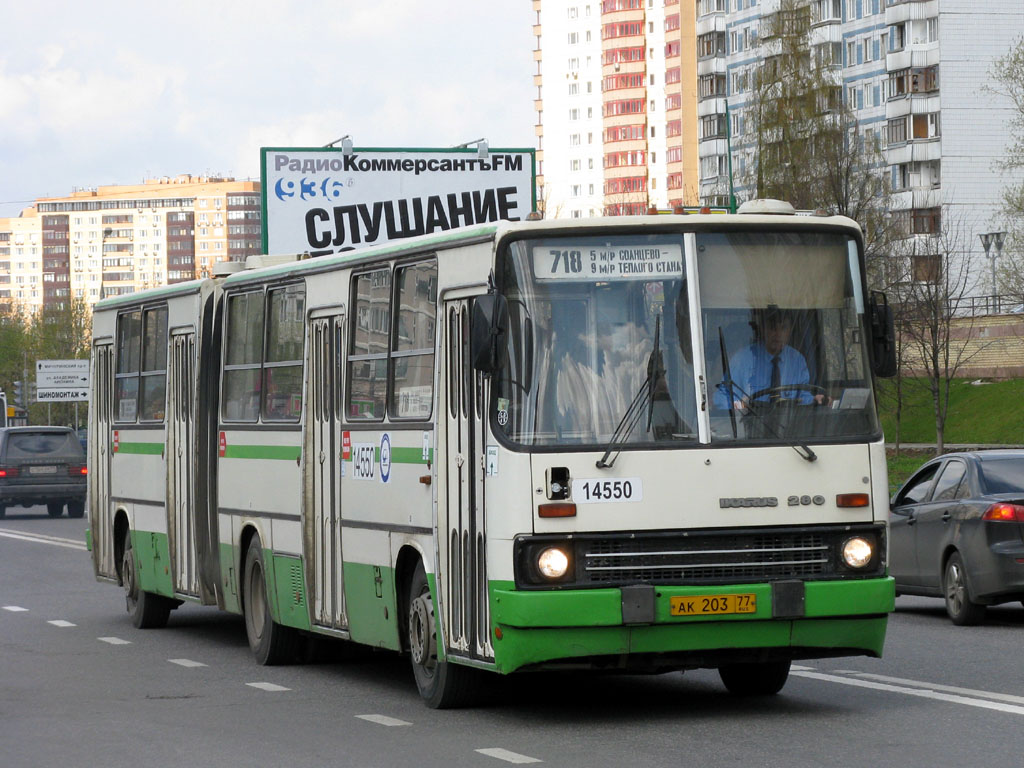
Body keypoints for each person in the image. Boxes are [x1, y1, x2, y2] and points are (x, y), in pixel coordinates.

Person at [713, 307, 823, 411]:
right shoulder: (743, 359)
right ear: (763, 329)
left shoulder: (797, 360)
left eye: (783, 328)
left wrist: (815, 400)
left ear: (790, 331)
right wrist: (740, 405)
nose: (778, 334)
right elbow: (721, 399)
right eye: (773, 328)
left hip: (789, 425)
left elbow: (804, 397)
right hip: (750, 425)